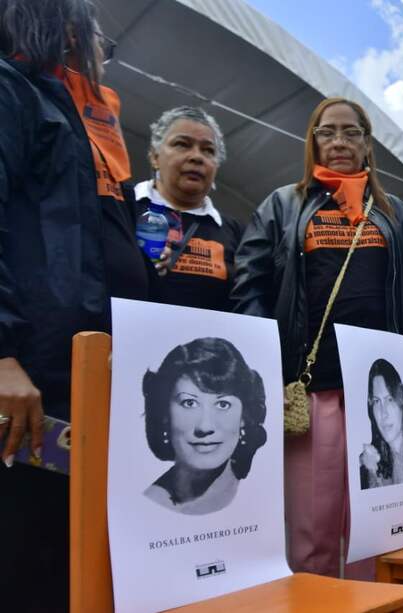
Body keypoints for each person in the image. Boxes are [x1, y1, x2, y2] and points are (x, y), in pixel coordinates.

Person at [231, 97, 403, 580]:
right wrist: (264, 359)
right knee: (313, 527)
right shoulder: (283, 206)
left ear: (368, 144)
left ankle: (378, 604)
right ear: (312, 142)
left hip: (382, 395)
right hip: (312, 391)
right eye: (327, 132)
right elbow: (249, 284)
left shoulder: (397, 214)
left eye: (351, 132)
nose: (340, 141)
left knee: (381, 528)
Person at [0, 3, 155, 610]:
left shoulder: (80, 116)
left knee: (79, 562)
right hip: (32, 379)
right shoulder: (13, 91)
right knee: (30, 559)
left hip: (89, 378)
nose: (100, 55)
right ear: (66, 30)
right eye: (98, 41)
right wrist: (2, 355)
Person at [142, 338, 267, 515]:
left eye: (223, 404)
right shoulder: (145, 507)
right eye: (189, 403)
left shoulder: (263, 495)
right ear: (165, 415)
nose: (205, 426)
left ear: (244, 417)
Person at [136, 106, 243, 311]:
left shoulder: (237, 235)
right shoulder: (121, 207)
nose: (197, 157)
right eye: (182, 144)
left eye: (208, 150)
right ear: (154, 156)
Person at [359, 359, 403, 489]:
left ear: (401, 401)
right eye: (377, 401)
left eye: (389, 399)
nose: (383, 413)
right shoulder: (373, 463)